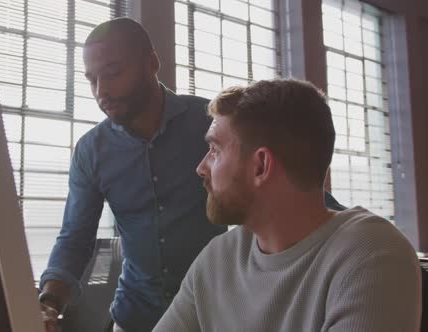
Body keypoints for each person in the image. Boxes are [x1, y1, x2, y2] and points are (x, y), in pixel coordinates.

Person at [38, 19, 344, 331]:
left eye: (114, 72)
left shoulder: (212, 124)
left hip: (212, 315)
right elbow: (75, 237)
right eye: (92, 80)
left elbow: (288, 186)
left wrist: (353, 231)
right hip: (133, 318)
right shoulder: (91, 151)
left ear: (152, 63)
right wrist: (48, 305)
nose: (101, 91)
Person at [153, 79, 422, 332]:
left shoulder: (371, 253)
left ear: (261, 166)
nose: (201, 168)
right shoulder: (217, 258)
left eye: (215, 150)